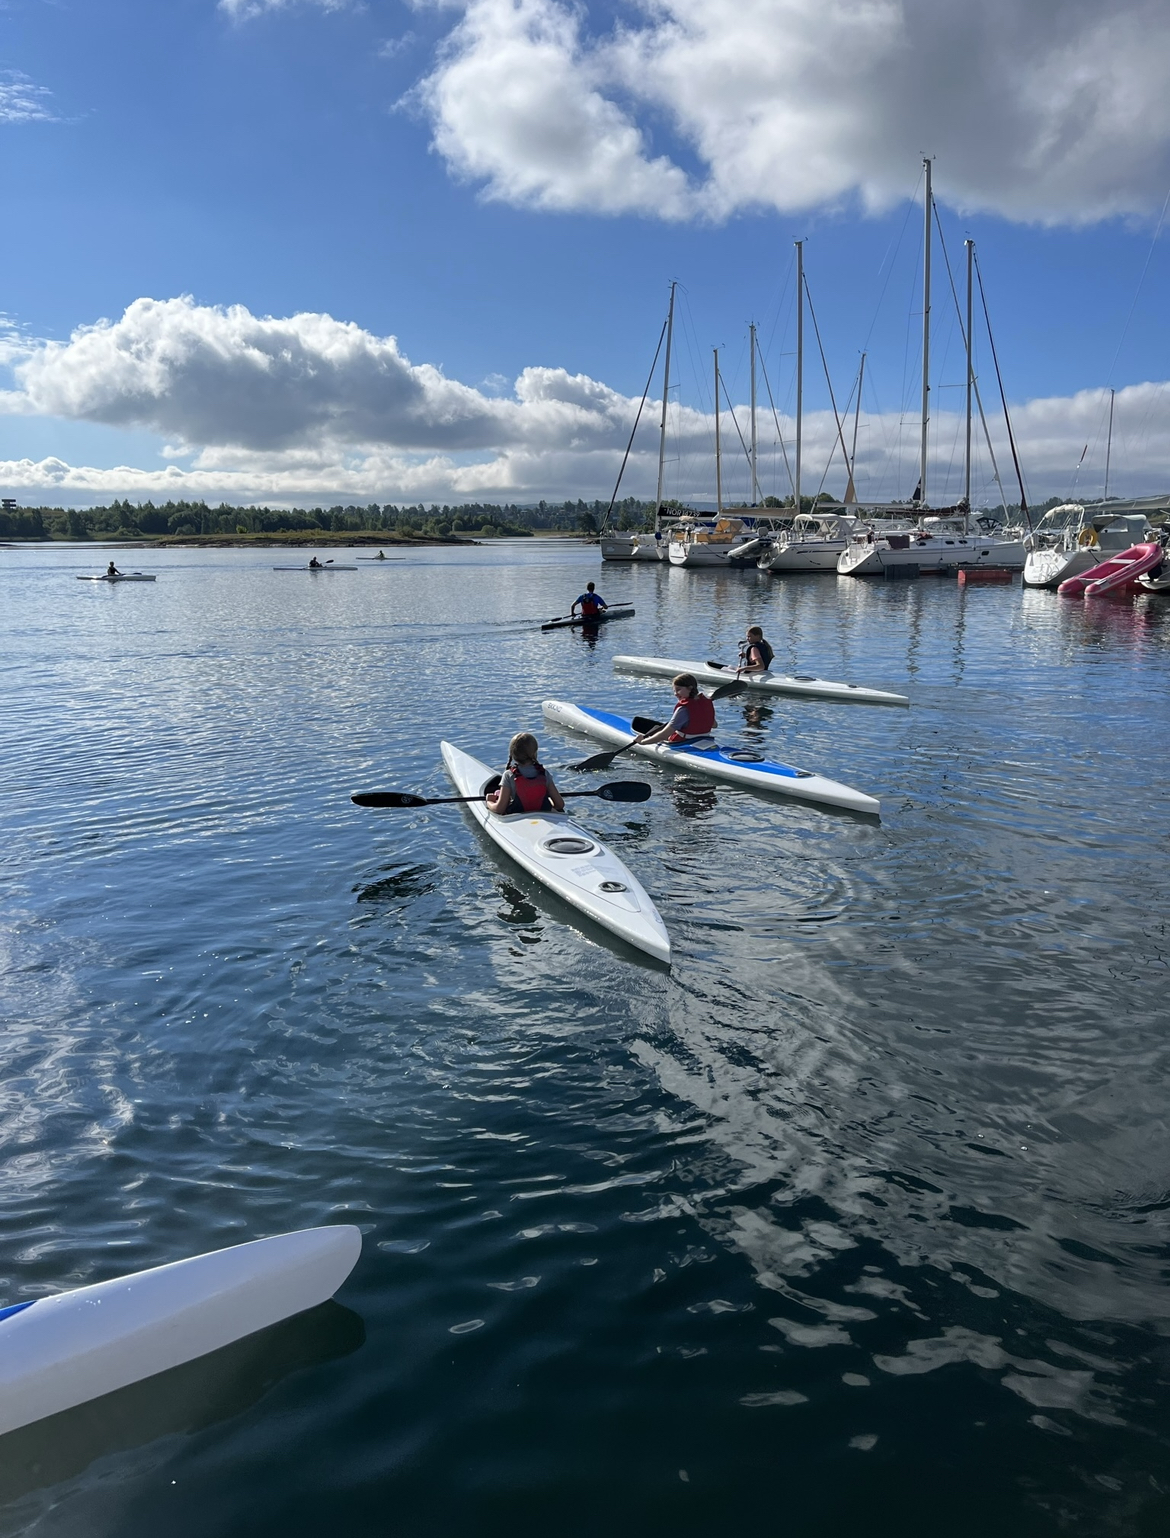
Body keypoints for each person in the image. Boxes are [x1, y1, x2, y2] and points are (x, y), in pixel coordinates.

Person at [487, 733, 566, 816]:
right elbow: (560, 804)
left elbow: (500, 809)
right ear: (535, 753)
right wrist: (548, 806)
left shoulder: (508, 775)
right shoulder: (544, 773)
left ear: (512, 754)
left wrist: (489, 802)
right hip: (544, 815)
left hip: (517, 818)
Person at [633, 674, 717, 747]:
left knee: (658, 730)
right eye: (674, 690)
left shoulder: (683, 709)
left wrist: (642, 742)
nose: (675, 694)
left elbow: (664, 735)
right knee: (657, 728)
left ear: (690, 688)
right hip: (705, 739)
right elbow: (714, 725)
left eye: (678, 689)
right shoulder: (706, 701)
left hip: (681, 742)